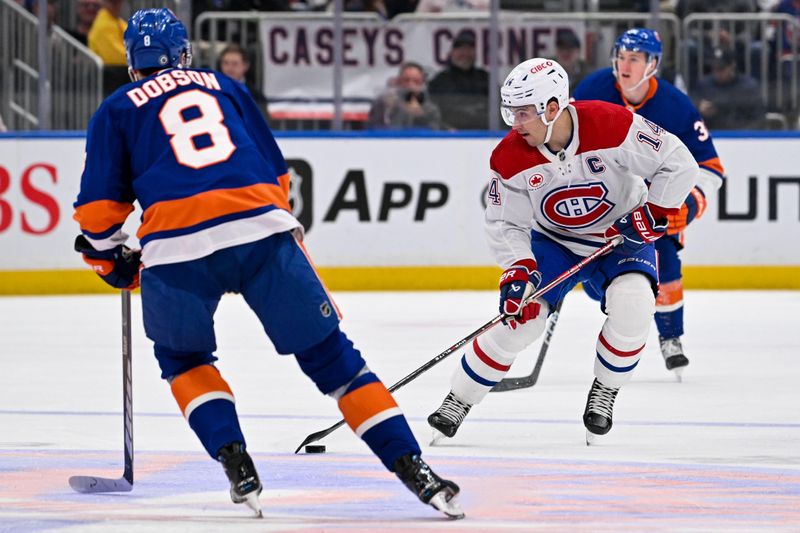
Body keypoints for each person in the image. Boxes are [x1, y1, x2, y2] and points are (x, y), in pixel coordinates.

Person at [73, 8, 463, 519]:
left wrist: (111, 261)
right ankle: (417, 472)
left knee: (184, 361)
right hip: (263, 231)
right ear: (184, 54)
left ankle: (236, 461)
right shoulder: (225, 85)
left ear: (132, 64)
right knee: (335, 362)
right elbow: (278, 176)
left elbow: (98, 216)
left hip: (177, 250)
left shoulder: (117, 107)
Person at [427, 58, 698, 444]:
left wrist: (653, 210)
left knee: (634, 304)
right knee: (523, 320)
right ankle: (459, 399)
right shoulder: (510, 156)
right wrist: (518, 269)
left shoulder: (612, 123)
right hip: (553, 243)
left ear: (553, 109)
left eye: (523, 113)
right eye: (511, 112)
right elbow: (506, 223)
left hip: (619, 240)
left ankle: (605, 390)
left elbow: (678, 162)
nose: (515, 124)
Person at [572, 28, 725, 376]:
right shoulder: (592, 90)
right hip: (602, 199)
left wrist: (683, 206)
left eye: (635, 59)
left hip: (652, 203)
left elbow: (710, 167)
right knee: (596, 279)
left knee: (666, 256)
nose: (625, 65)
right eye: (622, 57)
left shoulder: (676, 106)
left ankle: (671, 337)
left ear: (652, 63)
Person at [427, 29, 490, 130]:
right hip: (450, 136)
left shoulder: (486, 78)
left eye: (469, 49)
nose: (465, 53)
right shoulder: (440, 81)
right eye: (461, 49)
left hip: (484, 133)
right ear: (452, 52)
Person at [694, 46, 765, 129]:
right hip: (712, 134)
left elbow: (758, 118)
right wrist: (700, 111)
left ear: (732, 66)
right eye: (713, 68)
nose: (716, 73)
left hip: (742, 136)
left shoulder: (748, 87)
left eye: (721, 68)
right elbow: (691, 115)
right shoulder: (704, 86)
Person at [367, 62, 443, 129]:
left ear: (422, 83)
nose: (410, 84)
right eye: (406, 80)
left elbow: (432, 133)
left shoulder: (430, 108)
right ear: (399, 81)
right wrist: (387, 110)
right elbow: (373, 127)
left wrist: (419, 114)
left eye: (416, 81)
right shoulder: (383, 102)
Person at [217, 44, 269, 118]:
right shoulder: (213, 90)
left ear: (246, 66)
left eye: (235, 64)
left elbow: (262, 123)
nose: (229, 68)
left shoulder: (255, 95)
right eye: (225, 63)